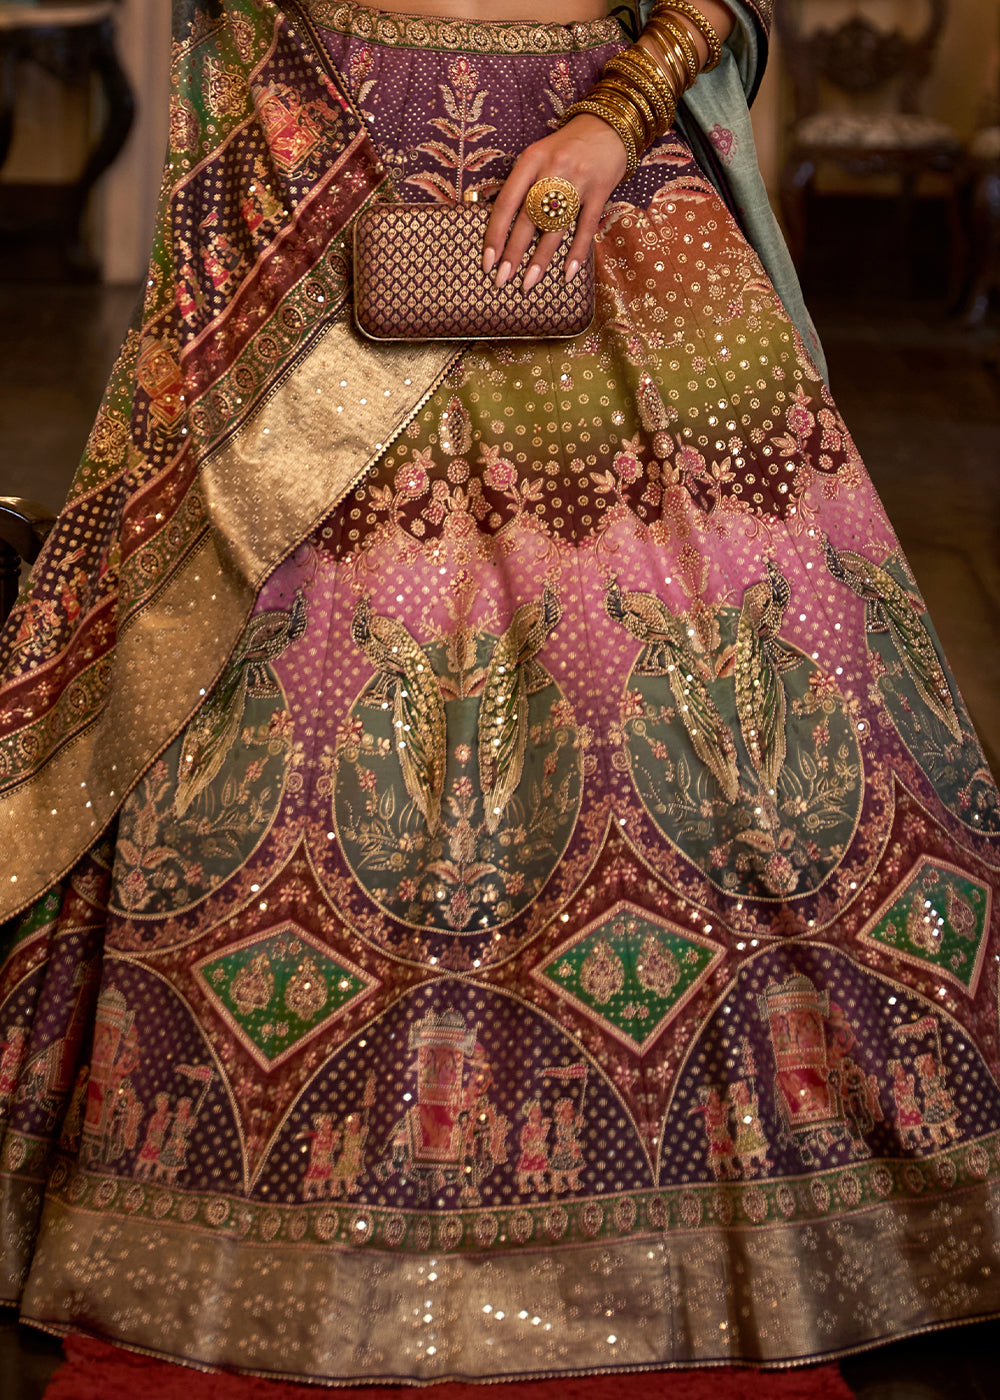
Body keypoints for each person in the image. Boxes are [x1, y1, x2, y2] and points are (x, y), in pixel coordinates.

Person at [1, 0, 998, 1384]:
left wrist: (616, 118)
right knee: (242, 665)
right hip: (327, 165)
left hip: (601, 178)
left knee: (748, 701)